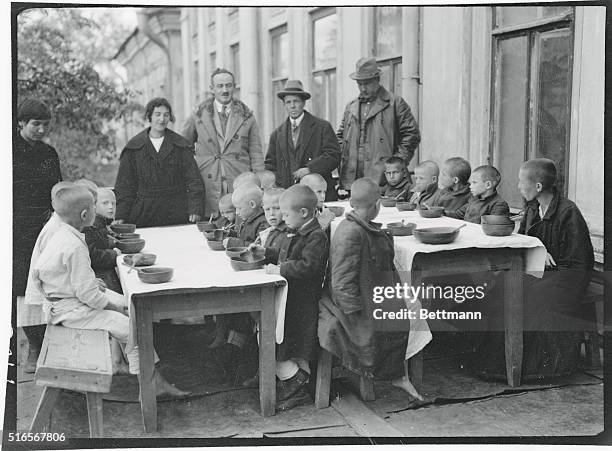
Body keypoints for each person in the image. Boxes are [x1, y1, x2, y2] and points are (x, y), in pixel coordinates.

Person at [26, 184, 189, 397]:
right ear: (85, 214)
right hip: (69, 310)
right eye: (94, 206)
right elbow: (88, 296)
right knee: (132, 327)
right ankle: (150, 385)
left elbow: (56, 276)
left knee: (129, 304)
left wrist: (89, 282)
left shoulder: (65, 234)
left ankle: (147, 376)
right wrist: (110, 306)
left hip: (68, 299)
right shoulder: (73, 245)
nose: (96, 210)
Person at [474, 158, 594, 380]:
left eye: (521, 182)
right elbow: (526, 242)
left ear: (538, 186)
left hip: (568, 278)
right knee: (502, 289)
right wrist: (539, 250)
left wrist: (547, 258)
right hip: (542, 272)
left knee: (525, 297)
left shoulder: (568, 212)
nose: (518, 187)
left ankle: (532, 368)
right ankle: (498, 363)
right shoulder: (532, 208)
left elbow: (580, 263)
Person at [318, 178, 423, 400]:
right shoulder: (351, 232)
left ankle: (399, 373)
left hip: (367, 292)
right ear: (377, 205)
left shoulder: (358, 227)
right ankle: (399, 375)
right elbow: (341, 282)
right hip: (349, 305)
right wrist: (357, 314)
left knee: (408, 306)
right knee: (405, 312)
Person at [253, 185, 329, 410]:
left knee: (278, 337)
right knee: (272, 335)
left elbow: (309, 266)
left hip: (301, 302)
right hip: (291, 297)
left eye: (286, 214)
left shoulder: (315, 236)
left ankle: (296, 381)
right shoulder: (299, 230)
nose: (283, 218)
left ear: (303, 213)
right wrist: (266, 254)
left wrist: (280, 270)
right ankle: (293, 380)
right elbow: (290, 254)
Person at [14, 98, 63, 373]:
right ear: (21, 122)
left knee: (49, 283)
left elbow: (57, 189)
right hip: (17, 232)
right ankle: (33, 346)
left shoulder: (48, 154)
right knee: (24, 289)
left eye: (46, 124)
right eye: (36, 124)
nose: (42, 129)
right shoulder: (9, 150)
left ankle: (51, 344)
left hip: (45, 228)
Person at [182, 68, 263, 219]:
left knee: (239, 220)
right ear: (212, 89)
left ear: (234, 86)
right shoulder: (198, 115)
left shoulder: (247, 116)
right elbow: (184, 149)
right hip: (208, 181)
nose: (225, 90)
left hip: (238, 179)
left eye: (228, 85)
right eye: (220, 86)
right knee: (211, 224)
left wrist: (258, 185)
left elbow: (256, 152)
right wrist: (201, 163)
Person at [115, 97, 205, 227]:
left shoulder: (180, 145)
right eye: (157, 114)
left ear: (170, 118)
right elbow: (124, 185)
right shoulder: (134, 147)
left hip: (176, 211)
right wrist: (121, 214)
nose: (162, 119)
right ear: (149, 116)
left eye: (166, 115)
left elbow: (194, 180)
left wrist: (195, 209)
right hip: (145, 212)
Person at [337, 57, 420, 192]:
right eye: (360, 84)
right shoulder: (351, 106)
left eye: (367, 83)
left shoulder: (395, 103)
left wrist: (396, 164)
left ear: (377, 81)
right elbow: (340, 136)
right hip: (352, 178)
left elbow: (411, 134)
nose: (363, 88)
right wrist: (343, 162)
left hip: (383, 178)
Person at [265, 80, 340, 201]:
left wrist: (310, 169)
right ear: (284, 105)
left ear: (303, 103)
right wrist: (279, 184)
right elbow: (270, 165)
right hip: (290, 197)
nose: (292, 106)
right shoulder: (277, 134)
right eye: (288, 102)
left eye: (296, 101)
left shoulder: (322, 127)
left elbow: (334, 155)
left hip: (318, 195)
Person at [82, 186, 122, 292]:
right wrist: (114, 254)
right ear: (94, 205)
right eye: (105, 203)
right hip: (97, 275)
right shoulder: (90, 225)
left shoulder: (101, 222)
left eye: (113, 203)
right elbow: (93, 255)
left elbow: (102, 242)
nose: (111, 207)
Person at [445, 165, 510, 223]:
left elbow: (493, 228)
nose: (470, 186)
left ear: (488, 185)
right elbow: (459, 214)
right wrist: (443, 212)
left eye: (474, 182)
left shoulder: (499, 205)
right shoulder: (474, 199)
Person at [224, 184, 268, 248]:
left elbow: (258, 246)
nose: (236, 212)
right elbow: (244, 238)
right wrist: (231, 233)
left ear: (252, 204)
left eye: (239, 208)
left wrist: (234, 243)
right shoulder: (249, 218)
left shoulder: (263, 223)